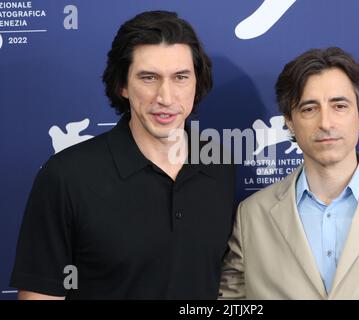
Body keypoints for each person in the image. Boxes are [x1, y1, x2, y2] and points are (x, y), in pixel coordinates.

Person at [10, 11, 235, 299]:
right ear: (123, 86)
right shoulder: (66, 176)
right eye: (149, 77)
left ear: (196, 82)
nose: (165, 97)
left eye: (180, 77)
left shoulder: (220, 163)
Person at [219, 47, 359, 299]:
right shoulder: (252, 215)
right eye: (309, 109)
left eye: (339, 106)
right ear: (289, 122)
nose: (326, 123)